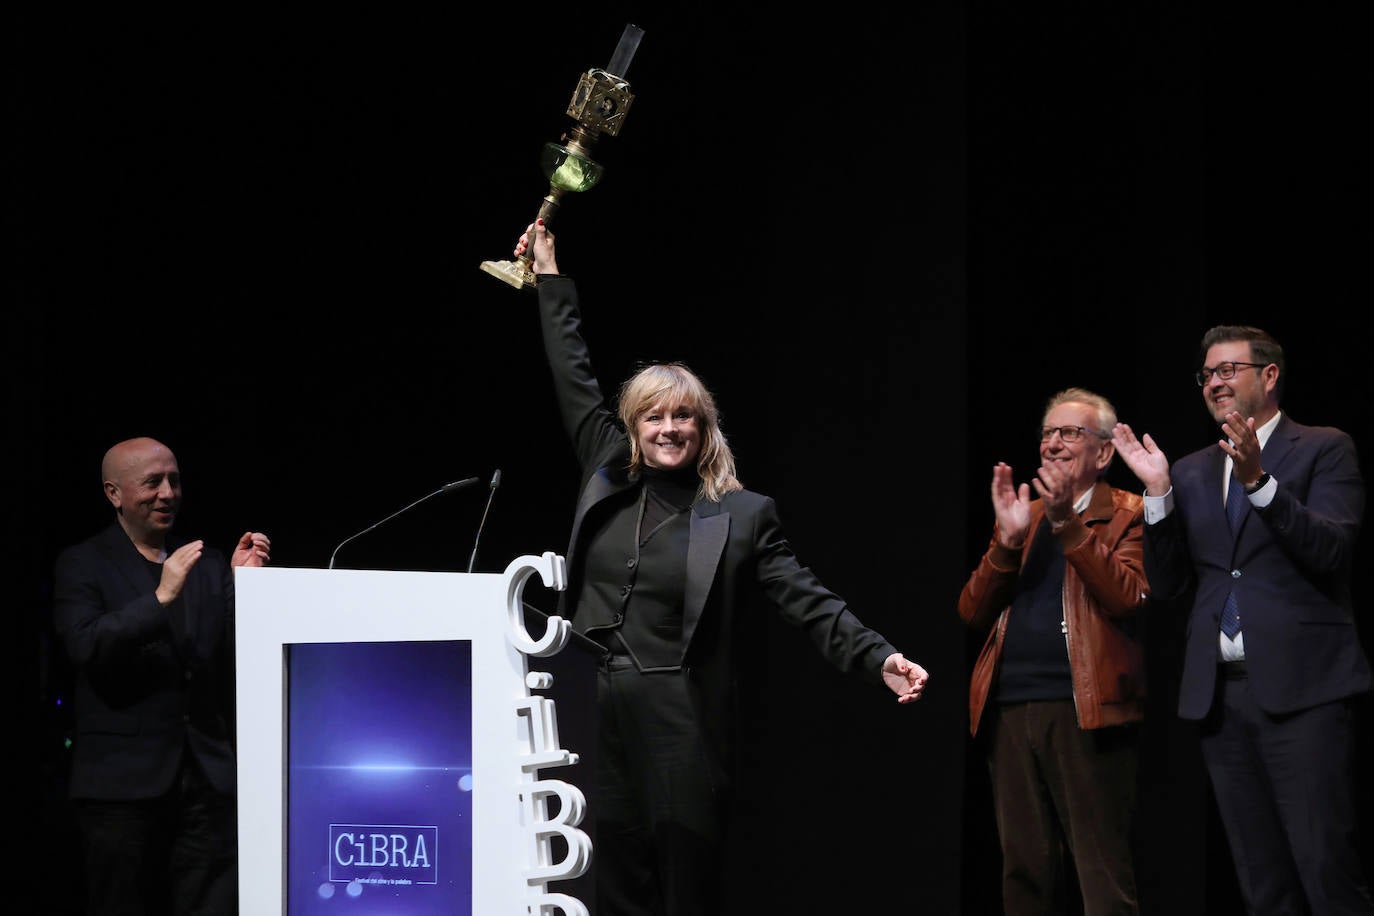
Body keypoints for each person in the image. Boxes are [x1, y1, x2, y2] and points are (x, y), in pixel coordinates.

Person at [512, 219, 928, 916]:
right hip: (586, 707)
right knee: (599, 878)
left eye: (684, 417)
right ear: (633, 427)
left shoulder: (739, 515)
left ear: (704, 430)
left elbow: (806, 599)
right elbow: (572, 370)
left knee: (683, 888)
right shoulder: (606, 470)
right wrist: (550, 276)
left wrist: (876, 657)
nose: (668, 428)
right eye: (654, 418)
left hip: (679, 722)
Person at [1111, 325, 1374, 914]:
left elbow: (1329, 549)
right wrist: (1157, 496)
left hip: (1305, 692)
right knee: (1263, 883)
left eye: (1228, 370)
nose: (1215, 382)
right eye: (1207, 374)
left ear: (1269, 376)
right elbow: (1173, 585)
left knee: (1325, 867)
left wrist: (1258, 479)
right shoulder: (1192, 469)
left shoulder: (1324, 447)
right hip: (1221, 703)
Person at [52, 436, 271, 915]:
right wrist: (160, 598)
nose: (168, 493)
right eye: (152, 482)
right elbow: (86, 646)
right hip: (122, 789)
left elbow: (237, 653)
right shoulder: (83, 564)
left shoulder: (207, 563)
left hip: (207, 781)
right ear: (115, 494)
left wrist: (247, 588)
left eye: (174, 480)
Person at [957, 387, 1150, 916]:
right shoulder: (1025, 514)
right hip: (1011, 710)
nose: (1053, 445)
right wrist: (1006, 544)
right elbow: (971, 614)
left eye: (1070, 433)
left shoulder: (1129, 513)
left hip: (1086, 714)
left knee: (1102, 877)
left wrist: (1068, 523)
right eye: (1047, 433)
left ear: (1104, 453)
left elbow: (1128, 597)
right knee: (1025, 875)